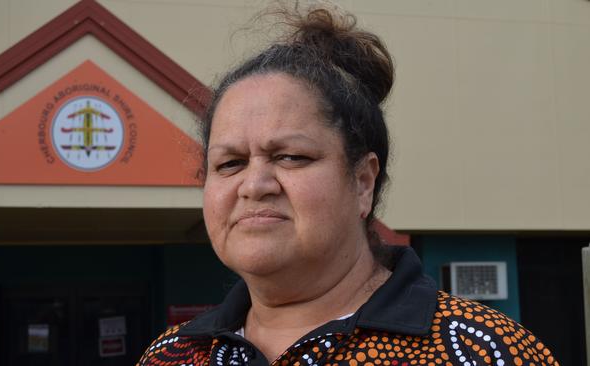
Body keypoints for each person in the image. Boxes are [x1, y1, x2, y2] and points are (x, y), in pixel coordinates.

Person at [138, 3, 559, 366]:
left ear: (362, 182)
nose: (255, 184)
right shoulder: (171, 354)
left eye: (291, 157)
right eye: (230, 163)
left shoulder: (484, 351)